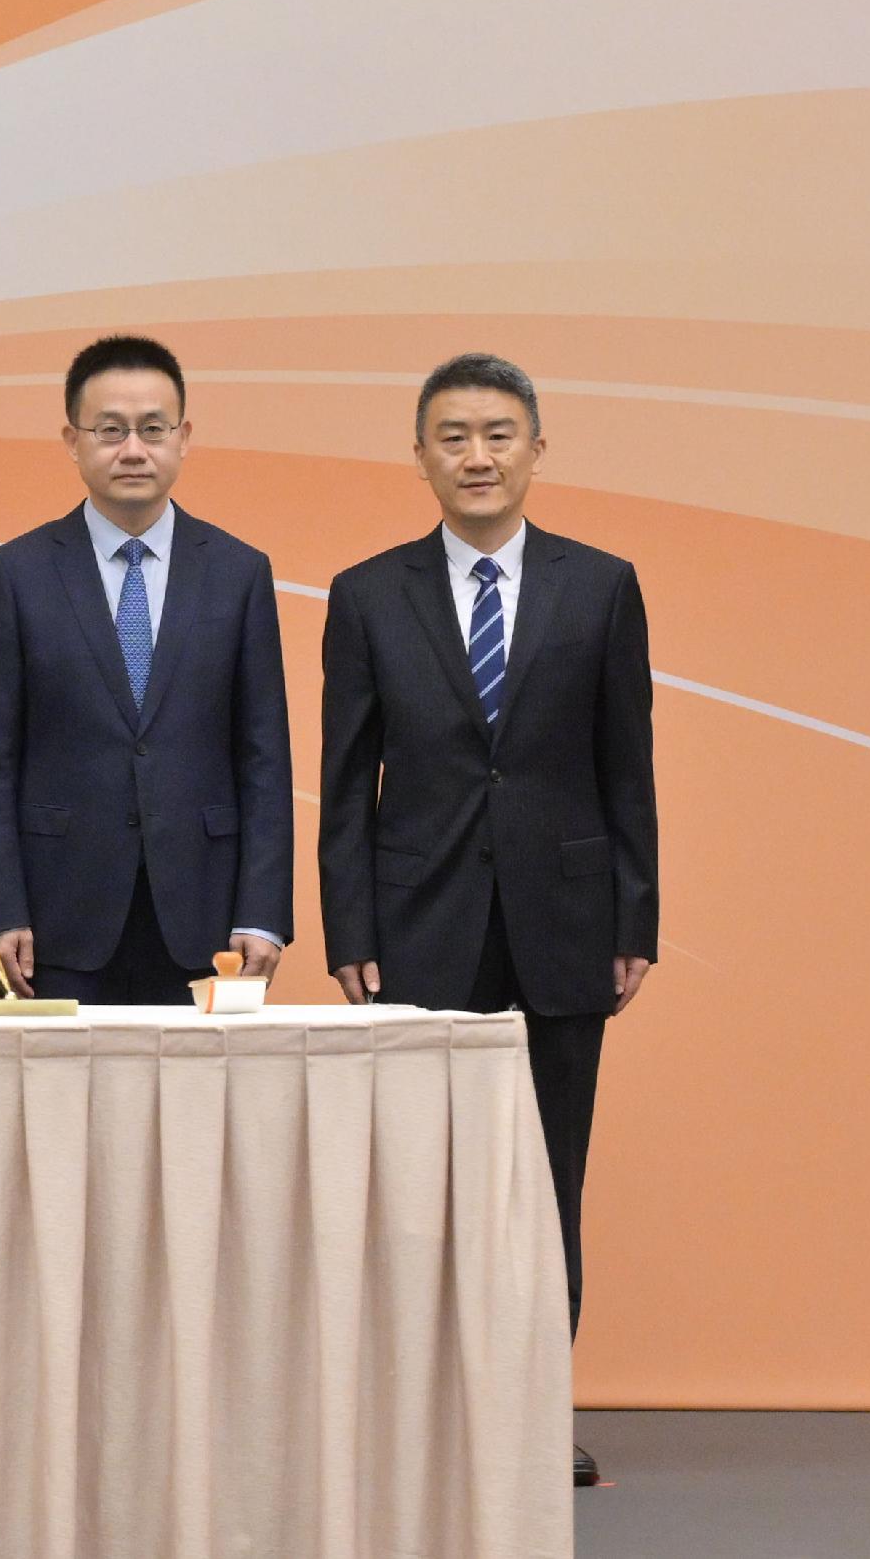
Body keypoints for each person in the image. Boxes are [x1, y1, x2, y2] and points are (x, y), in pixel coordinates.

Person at [320, 353, 657, 1490]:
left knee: (546, 1176)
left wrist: (635, 915)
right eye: (453, 435)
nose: (477, 454)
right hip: (418, 923)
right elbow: (345, 774)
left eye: (499, 433)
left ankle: (526, 1414)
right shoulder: (367, 592)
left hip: (565, 922)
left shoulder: (601, 584)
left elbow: (626, 766)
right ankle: (420, 1417)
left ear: (537, 448)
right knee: (419, 1183)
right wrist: (348, 923)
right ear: (419, 454)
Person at [0, 335, 291, 1003]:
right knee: (61, 1108)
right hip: (58, 917)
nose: (132, 450)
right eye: (110, 430)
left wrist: (262, 911)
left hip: (206, 917)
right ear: (72, 439)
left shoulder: (238, 573)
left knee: (195, 1108)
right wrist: (1, 909)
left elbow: (263, 757)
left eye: (152, 429)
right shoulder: (16, 574)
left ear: (184, 437)